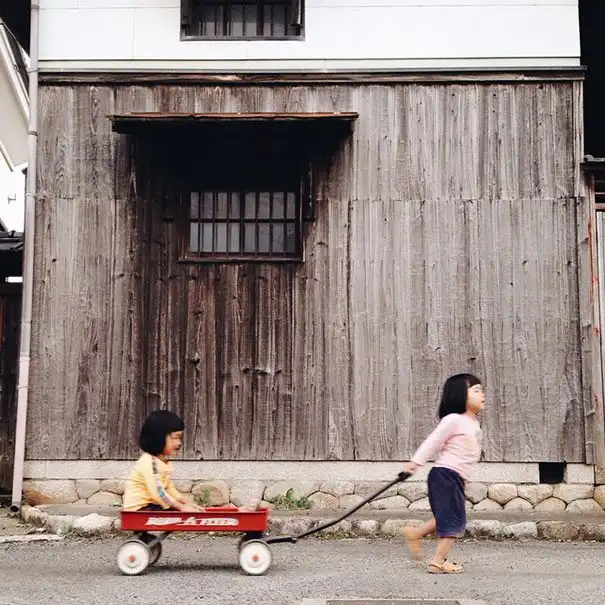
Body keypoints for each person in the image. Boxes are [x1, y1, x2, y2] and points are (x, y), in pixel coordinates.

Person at [401, 373, 484, 574]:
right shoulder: (454, 420)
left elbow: (467, 455)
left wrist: (465, 479)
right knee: (454, 520)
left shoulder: (473, 424)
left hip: (454, 477)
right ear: (459, 394)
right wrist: (415, 462)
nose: (482, 394)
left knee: (448, 516)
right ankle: (437, 562)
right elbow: (433, 442)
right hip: (445, 475)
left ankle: (416, 533)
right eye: (476, 390)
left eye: (482, 390)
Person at [123, 410, 203, 513]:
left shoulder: (164, 462)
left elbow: (169, 489)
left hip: (152, 506)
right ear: (158, 437)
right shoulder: (150, 463)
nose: (179, 443)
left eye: (180, 438)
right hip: (138, 510)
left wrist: (186, 503)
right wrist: (181, 507)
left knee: (174, 510)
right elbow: (159, 493)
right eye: (175, 438)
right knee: (174, 512)